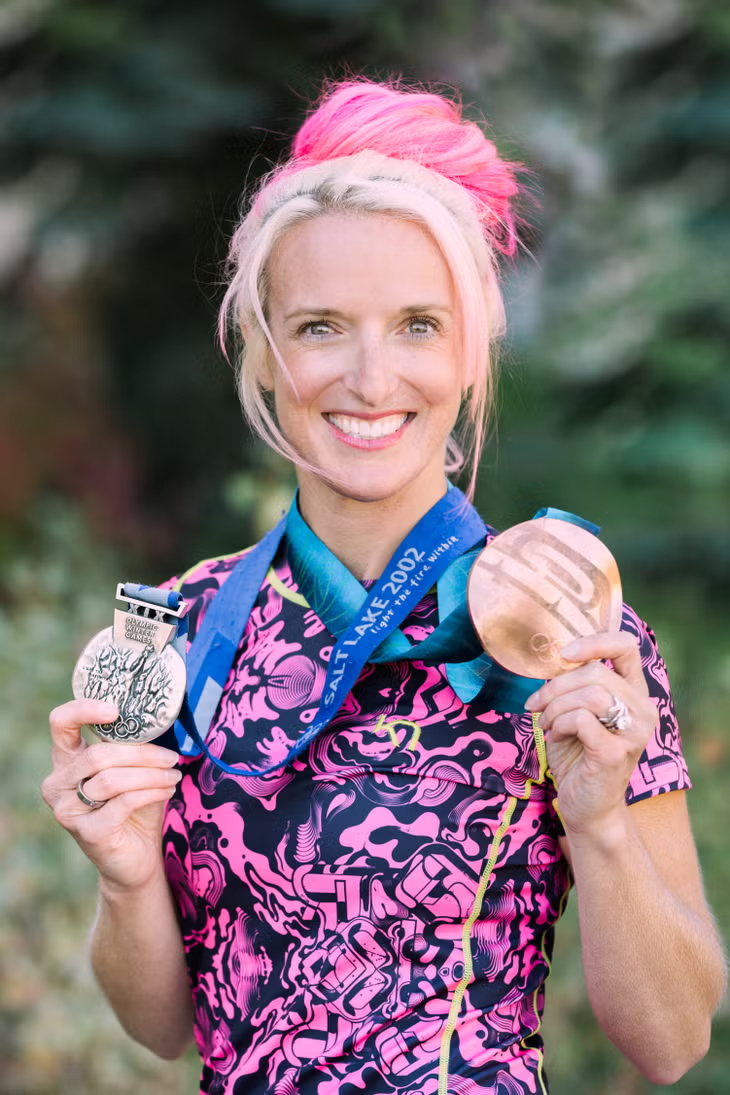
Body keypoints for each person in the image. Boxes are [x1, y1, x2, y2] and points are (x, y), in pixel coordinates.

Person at [42, 79, 725, 1095]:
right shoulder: (178, 633)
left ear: (470, 351)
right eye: (321, 327)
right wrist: (127, 872)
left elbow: (671, 1045)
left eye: (416, 325)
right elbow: (162, 1028)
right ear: (263, 354)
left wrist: (601, 823)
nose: (370, 378)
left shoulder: (571, 630)